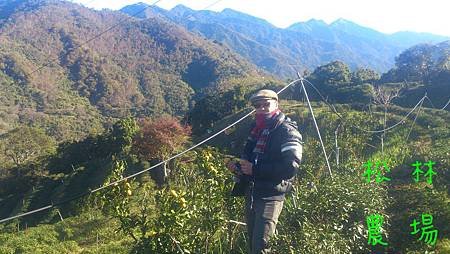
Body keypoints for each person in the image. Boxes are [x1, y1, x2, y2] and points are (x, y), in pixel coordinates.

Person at [226, 89, 303, 253]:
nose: (261, 109)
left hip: (270, 196)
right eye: (257, 106)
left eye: (266, 104)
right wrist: (238, 168)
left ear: (277, 104)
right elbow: (252, 161)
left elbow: (291, 166)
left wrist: (255, 169)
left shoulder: (287, 131)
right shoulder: (256, 129)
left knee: (261, 247)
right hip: (253, 192)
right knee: (252, 243)